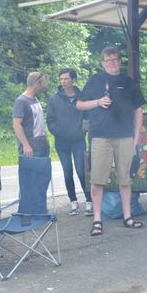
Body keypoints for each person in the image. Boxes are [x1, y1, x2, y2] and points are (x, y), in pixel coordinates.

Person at [76, 47, 145, 237]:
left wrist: (136, 134)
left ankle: (127, 217)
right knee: (98, 179)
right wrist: (98, 102)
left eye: (115, 59)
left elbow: (138, 109)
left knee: (125, 178)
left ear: (119, 61)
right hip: (100, 136)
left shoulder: (128, 83)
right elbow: (79, 104)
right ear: (103, 62)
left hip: (124, 136)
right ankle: (97, 220)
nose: (113, 62)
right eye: (109, 60)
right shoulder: (95, 81)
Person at [47, 68, 92, 216]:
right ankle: (73, 202)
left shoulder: (82, 97)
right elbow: (50, 121)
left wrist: (82, 131)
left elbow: (87, 117)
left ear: (73, 79)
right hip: (62, 142)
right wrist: (59, 132)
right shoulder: (54, 99)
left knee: (81, 171)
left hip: (78, 141)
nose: (64, 82)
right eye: (61, 79)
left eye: (66, 79)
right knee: (67, 172)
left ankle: (89, 201)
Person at [12, 71, 49, 158]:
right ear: (37, 83)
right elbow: (16, 125)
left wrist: (46, 138)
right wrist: (26, 145)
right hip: (31, 150)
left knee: (43, 172)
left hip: (42, 147)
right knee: (31, 171)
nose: (43, 86)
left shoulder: (35, 99)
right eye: (42, 83)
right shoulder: (21, 101)